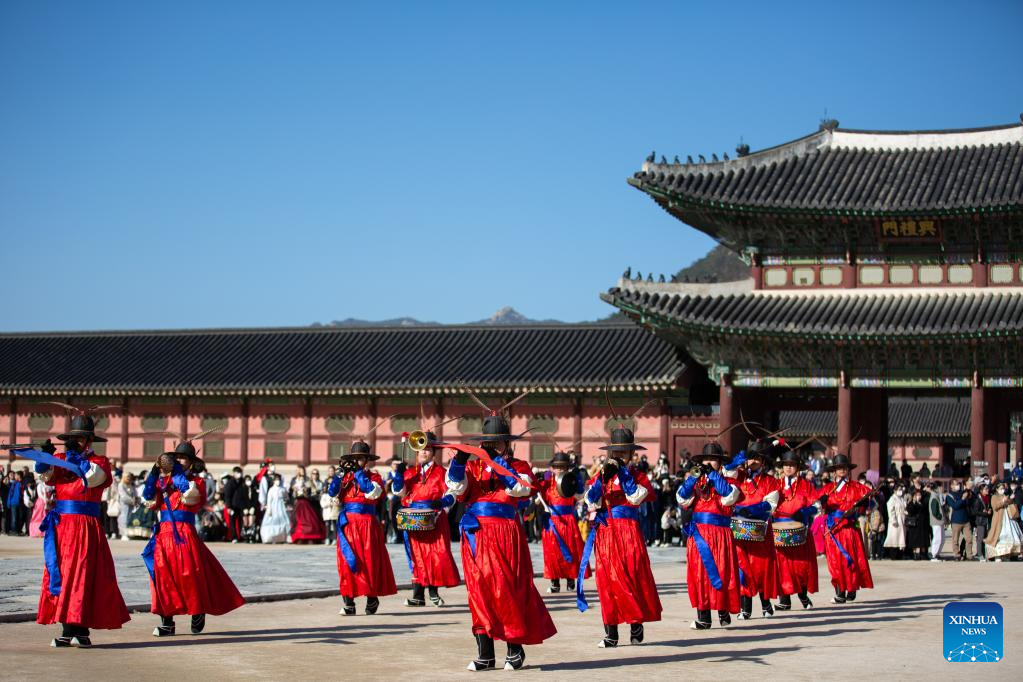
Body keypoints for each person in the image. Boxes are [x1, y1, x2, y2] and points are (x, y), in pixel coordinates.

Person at [445, 414, 556, 671]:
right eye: (489, 443)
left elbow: (521, 489)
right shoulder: (473, 468)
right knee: (478, 591)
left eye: (498, 442)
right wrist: (459, 463)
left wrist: (497, 463)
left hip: (506, 534)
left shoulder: (519, 466)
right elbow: (458, 489)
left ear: (507, 444)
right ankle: (485, 654)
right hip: (476, 535)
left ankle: (514, 648)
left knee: (507, 589)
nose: (493, 446)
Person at [17, 414, 130, 647]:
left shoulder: (99, 462)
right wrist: (45, 457)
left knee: (83, 575)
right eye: (73, 438)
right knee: (62, 573)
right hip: (62, 526)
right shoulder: (60, 459)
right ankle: (69, 628)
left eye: (81, 438)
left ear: (89, 441)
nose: (76, 442)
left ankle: (80, 628)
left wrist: (75, 459)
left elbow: (93, 479)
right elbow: (46, 476)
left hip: (86, 526)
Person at [142, 442, 245, 636]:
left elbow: (189, 495)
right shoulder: (164, 482)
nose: (179, 460)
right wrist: (154, 474)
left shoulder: (197, 482)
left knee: (190, 575)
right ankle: (167, 622)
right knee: (163, 577)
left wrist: (176, 472)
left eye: (183, 458)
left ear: (190, 462)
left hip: (184, 533)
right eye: (177, 458)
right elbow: (148, 497)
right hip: (163, 533)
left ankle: (197, 610)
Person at [578, 428, 662, 648]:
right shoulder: (602, 476)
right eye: (616, 453)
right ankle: (611, 632)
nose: (619, 457)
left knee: (631, 577)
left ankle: (636, 622)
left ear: (631, 455)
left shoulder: (638, 476)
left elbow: (636, 497)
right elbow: (591, 501)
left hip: (628, 532)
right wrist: (602, 479)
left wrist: (623, 474)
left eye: (624, 453)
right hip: (606, 532)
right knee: (607, 582)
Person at [391, 431, 461, 607]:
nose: (424, 452)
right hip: (413, 518)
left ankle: (433, 592)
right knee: (416, 556)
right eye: (421, 449)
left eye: (428, 449)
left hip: (434, 518)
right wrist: (398, 475)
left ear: (434, 452)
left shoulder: (442, 472)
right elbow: (399, 492)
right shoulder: (409, 473)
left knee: (435, 555)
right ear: (416, 451)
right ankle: (418, 595)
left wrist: (442, 502)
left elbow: (453, 494)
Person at [327, 441, 397, 616]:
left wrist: (358, 472)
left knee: (368, 562)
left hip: (367, 525)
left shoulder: (374, 478)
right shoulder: (345, 478)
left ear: (367, 460)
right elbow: (331, 492)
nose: (356, 461)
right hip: (348, 525)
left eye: (360, 458)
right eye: (354, 458)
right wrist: (339, 475)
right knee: (346, 562)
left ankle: (371, 597)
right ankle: (348, 601)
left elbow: (370, 491)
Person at [677, 442, 742, 629]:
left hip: (720, 535)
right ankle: (703, 616)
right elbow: (682, 497)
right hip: (699, 534)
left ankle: (723, 609)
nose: (708, 463)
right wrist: (692, 478)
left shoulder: (730, 483)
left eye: (713, 460)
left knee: (721, 572)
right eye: (706, 459)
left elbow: (728, 496)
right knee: (699, 574)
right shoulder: (697, 482)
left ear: (720, 464)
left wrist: (713, 475)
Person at [730, 439, 781, 619]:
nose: (753, 462)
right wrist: (740, 458)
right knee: (742, 567)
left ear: (763, 462)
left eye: (757, 458)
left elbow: (770, 504)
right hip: (739, 530)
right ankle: (745, 608)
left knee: (761, 569)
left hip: (760, 530)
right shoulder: (738, 476)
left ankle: (766, 605)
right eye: (750, 458)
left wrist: (750, 510)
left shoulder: (770, 481)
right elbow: (726, 471)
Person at [816, 453, 873, 604]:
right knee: (835, 561)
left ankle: (852, 587)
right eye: (839, 468)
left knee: (851, 559)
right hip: (833, 529)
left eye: (844, 467)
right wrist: (822, 503)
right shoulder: (827, 488)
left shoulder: (857, 487)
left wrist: (863, 505)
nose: (842, 470)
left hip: (850, 529)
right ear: (834, 471)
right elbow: (818, 507)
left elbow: (869, 502)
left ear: (848, 470)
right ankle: (840, 592)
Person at [773, 449, 817, 610]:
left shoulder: (806, 485)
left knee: (800, 566)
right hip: (779, 531)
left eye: (792, 465)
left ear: (798, 467)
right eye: (786, 465)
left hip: (799, 530)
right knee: (782, 565)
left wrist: (804, 512)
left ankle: (803, 595)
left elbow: (816, 507)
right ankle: (784, 600)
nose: (788, 468)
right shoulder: (776, 485)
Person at [538, 451, 587, 595]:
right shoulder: (547, 482)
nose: (559, 469)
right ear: (552, 468)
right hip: (552, 522)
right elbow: (538, 494)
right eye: (557, 467)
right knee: (553, 553)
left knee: (570, 550)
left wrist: (577, 477)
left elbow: (580, 493)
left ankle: (570, 579)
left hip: (568, 521)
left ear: (567, 468)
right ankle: (555, 583)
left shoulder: (571, 481)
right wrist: (538, 479)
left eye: (562, 467)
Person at [984, 482, 1022, 560]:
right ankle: (997, 555)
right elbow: (995, 506)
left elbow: (1009, 504)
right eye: (1001, 489)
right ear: (997, 489)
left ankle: (1007, 555)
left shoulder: (1005, 495)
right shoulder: (994, 497)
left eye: (1003, 488)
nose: (1002, 490)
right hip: (999, 520)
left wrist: (1010, 499)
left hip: (1008, 518)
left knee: (1011, 536)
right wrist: (1003, 501)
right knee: (998, 537)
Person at [946, 480, 974, 561]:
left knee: (969, 539)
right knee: (955, 540)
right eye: (955, 484)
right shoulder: (949, 496)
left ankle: (969, 555)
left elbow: (968, 503)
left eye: (958, 484)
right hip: (956, 520)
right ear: (951, 486)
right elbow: (955, 506)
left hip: (966, 520)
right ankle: (956, 555)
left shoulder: (963, 492)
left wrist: (968, 494)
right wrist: (962, 499)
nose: (957, 485)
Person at [260, 475, 290, 544]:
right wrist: (269, 509)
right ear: (273, 481)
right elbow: (269, 500)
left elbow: (287, 497)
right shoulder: (271, 490)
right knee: (272, 521)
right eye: (276, 480)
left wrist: (285, 501)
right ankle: (270, 538)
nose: (278, 481)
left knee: (284, 521)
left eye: (279, 480)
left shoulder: (282, 489)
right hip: (273, 507)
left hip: (281, 507)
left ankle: (283, 537)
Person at [905, 489, 930, 560]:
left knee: (923, 540)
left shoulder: (922, 503)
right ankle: (916, 554)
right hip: (915, 524)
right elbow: (910, 511)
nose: (919, 496)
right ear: (914, 496)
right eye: (917, 495)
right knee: (915, 540)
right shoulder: (911, 503)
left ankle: (923, 554)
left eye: (920, 495)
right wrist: (914, 502)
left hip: (923, 524)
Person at [883, 484, 907, 559]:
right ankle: (893, 554)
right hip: (896, 520)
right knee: (894, 537)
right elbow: (891, 510)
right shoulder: (892, 499)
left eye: (901, 489)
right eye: (899, 489)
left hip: (902, 520)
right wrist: (893, 520)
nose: (900, 491)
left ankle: (900, 554)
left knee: (901, 538)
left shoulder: (902, 499)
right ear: (895, 490)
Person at [926, 482, 945, 561]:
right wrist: (940, 516)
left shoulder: (937, 496)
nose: (941, 489)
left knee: (942, 538)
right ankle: (934, 554)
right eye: (940, 487)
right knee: (937, 538)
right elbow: (934, 511)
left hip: (939, 521)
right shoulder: (934, 497)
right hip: (936, 521)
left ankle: (937, 553)